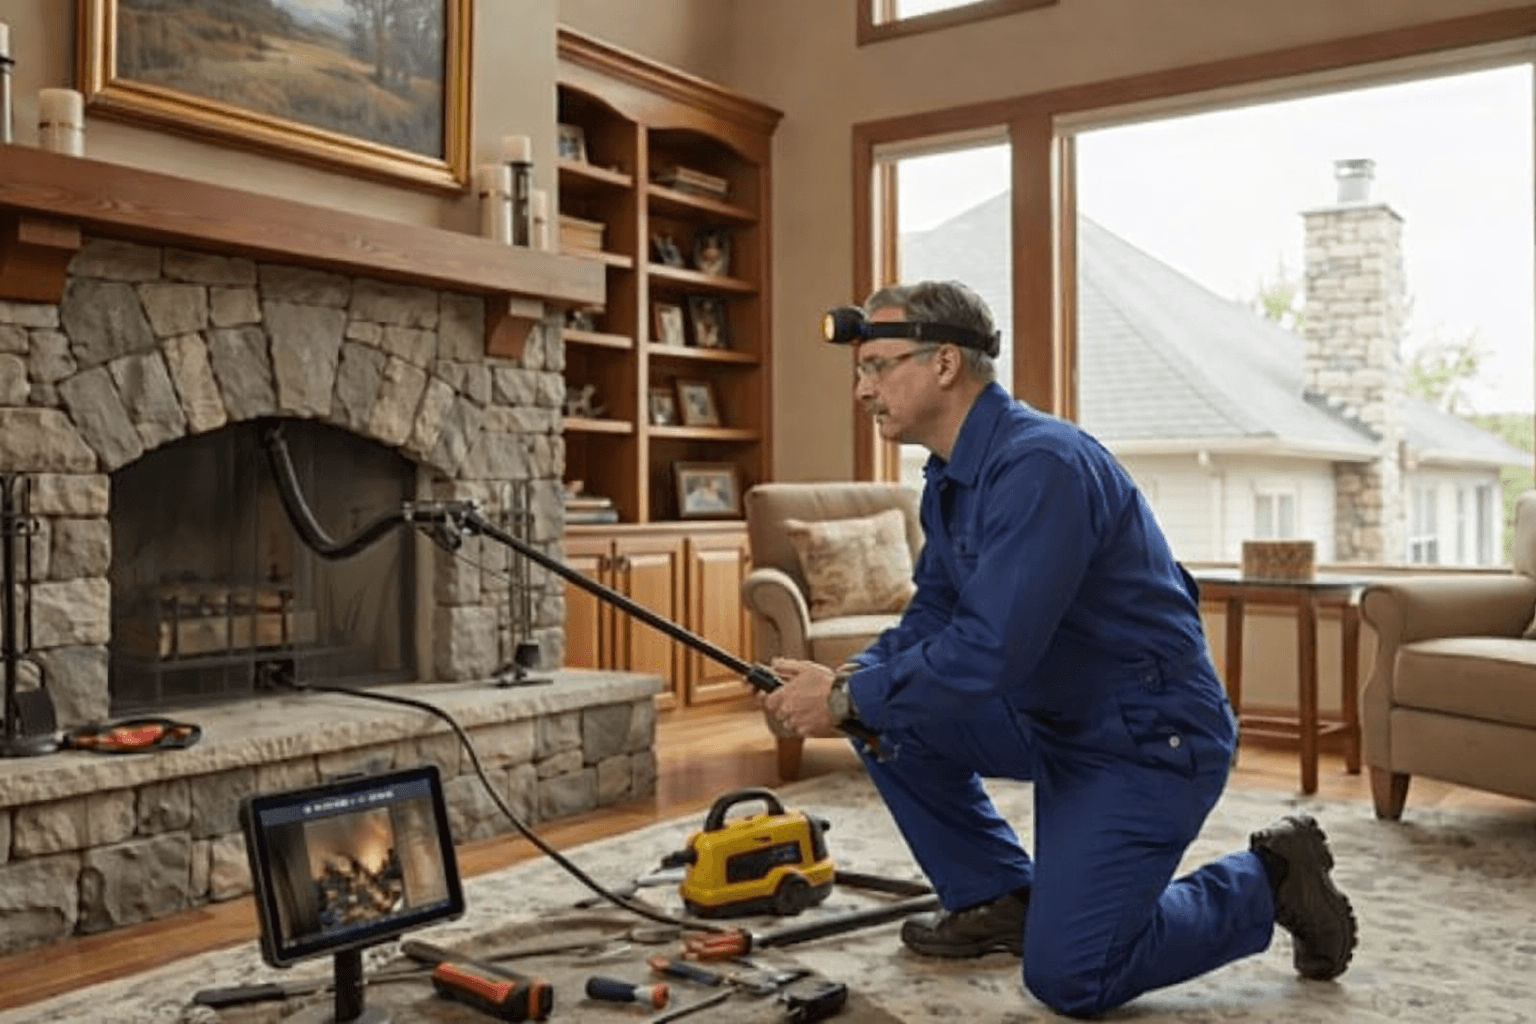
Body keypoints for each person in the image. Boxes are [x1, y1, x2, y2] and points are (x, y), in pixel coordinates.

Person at [760, 280, 1356, 1017]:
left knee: (1074, 978)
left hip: (1143, 737)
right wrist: (851, 682)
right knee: (880, 716)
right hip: (1049, 716)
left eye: (879, 365)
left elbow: (987, 651)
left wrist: (848, 696)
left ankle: (1269, 880)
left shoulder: (1042, 465)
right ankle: (1000, 897)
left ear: (945, 362)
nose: (863, 388)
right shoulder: (951, 479)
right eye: (861, 370)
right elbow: (939, 612)